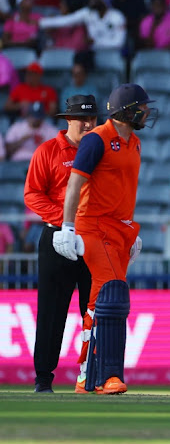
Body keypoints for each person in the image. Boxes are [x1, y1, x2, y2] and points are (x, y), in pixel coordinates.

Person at [54, 83, 154, 394]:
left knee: (98, 303)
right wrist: (67, 228)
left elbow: (123, 189)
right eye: (142, 107)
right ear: (127, 111)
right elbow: (74, 185)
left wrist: (129, 231)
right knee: (114, 293)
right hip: (94, 226)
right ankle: (109, 376)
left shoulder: (134, 142)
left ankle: (86, 376)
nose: (147, 112)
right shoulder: (97, 139)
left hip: (120, 230)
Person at [23, 95, 97, 393]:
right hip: (57, 238)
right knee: (51, 311)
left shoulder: (101, 152)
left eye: (92, 118)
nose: (88, 124)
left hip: (92, 238)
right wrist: (65, 220)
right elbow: (32, 195)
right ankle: (43, 379)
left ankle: (93, 375)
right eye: (82, 119)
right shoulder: (48, 151)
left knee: (94, 312)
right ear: (68, 120)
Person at [38, 0, 127, 52]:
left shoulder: (117, 17)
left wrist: (96, 42)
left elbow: (119, 42)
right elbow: (67, 20)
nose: (92, 0)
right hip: (93, 52)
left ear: (104, 2)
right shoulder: (88, 12)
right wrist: (41, 22)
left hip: (113, 53)